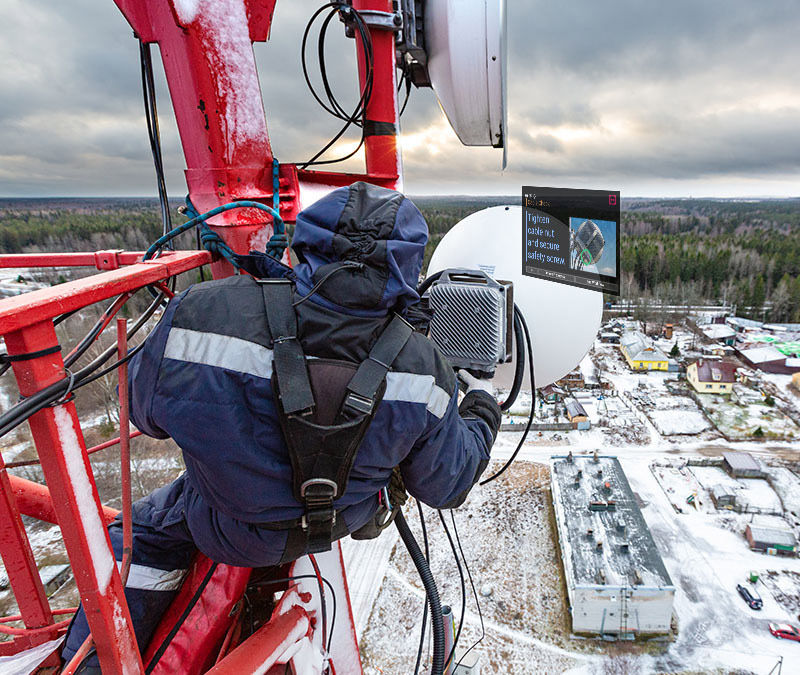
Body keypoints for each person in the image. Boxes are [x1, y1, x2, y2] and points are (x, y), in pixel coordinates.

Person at [63, 182, 502, 668]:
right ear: (407, 268)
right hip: (342, 521)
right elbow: (446, 484)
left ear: (304, 242)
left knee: (142, 533)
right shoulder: (425, 368)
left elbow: (143, 414)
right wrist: (482, 409)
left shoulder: (202, 314)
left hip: (222, 526)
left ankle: (97, 662)